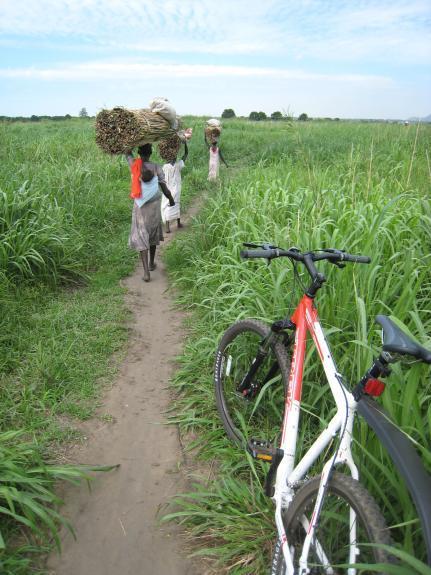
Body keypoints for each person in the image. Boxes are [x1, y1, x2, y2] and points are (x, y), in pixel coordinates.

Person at [126, 144, 175, 282]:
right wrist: (171, 199)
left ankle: (146, 272)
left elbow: (127, 153)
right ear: (151, 152)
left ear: (139, 153)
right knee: (153, 232)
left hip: (140, 206)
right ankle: (152, 263)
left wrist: (130, 144)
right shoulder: (157, 167)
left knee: (141, 234)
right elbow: (164, 187)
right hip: (154, 204)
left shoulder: (134, 164)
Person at [161, 141, 188, 233]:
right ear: (175, 156)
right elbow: (186, 154)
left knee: (167, 205)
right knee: (177, 204)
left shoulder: (165, 166)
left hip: (167, 190)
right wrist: (185, 144)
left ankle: (168, 227)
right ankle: (178, 223)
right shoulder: (178, 165)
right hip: (176, 189)